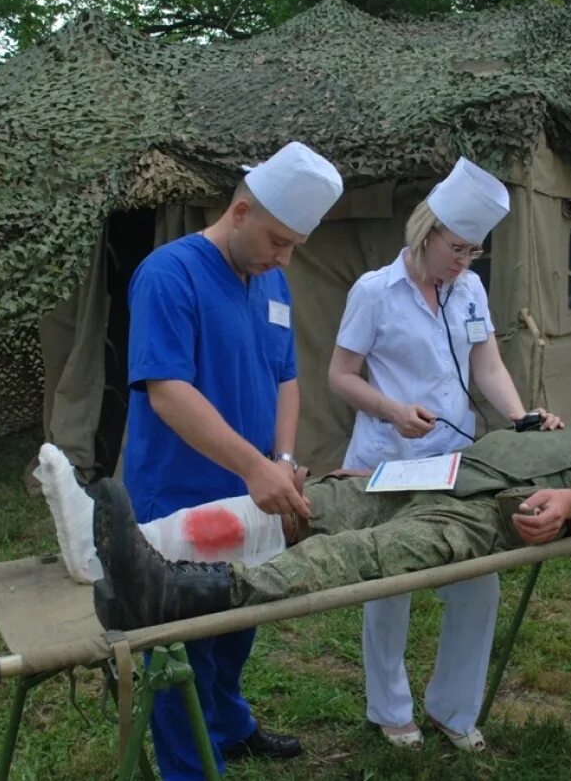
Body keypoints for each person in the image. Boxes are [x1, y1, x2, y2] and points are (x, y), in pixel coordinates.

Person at [121, 141, 342, 779]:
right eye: (278, 240)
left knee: (240, 615)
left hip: (252, 492)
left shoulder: (272, 281)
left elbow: (286, 379)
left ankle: (228, 724)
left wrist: (284, 456)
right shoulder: (170, 273)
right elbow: (168, 393)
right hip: (181, 495)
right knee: (182, 639)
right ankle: (190, 765)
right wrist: (254, 466)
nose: (285, 257)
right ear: (241, 210)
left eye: (296, 244)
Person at [327, 156, 562, 751]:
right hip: (388, 456)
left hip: (456, 462)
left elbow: (487, 365)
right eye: (457, 249)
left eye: (474, 252)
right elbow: (340, 376)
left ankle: (453, 710)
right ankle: (389, 710)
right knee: (390, 582)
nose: (464, 261)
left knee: (477, 582)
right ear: (425, 232)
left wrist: (519, 417)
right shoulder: (374, 292)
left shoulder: (470, 288)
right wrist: (392, 410)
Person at [80, 411, 571, 636]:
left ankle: (181, 593)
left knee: (368, 554)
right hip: (441, 473)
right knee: (315, 503)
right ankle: (145, 552)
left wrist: (570, 504)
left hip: (486, 512)